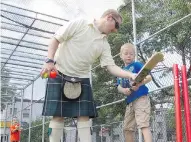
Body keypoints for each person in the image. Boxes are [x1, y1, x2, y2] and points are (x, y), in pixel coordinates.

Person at [40, 9, 136, 142]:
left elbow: (111, 67)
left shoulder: (104, 44)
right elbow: (56, 39)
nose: (116, 31)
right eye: (117, 26)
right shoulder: (80, 24)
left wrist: (130, 75)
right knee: (58, 116)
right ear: (109, 18)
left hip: (82, 78)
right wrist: (49, 61)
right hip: (59, 73)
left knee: (84, 116)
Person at [117, 43, 153, 142]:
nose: (129, 55)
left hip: (141, 98)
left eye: (131, 54)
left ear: (134, 56)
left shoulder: (136, 65)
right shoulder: (120, 71)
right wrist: (124, 90)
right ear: (121, 55)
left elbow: (148, 77)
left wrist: (139, 84)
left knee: (143, 124)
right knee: (127, 128)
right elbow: (118, 86)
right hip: (130, 102)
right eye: (126, 53)